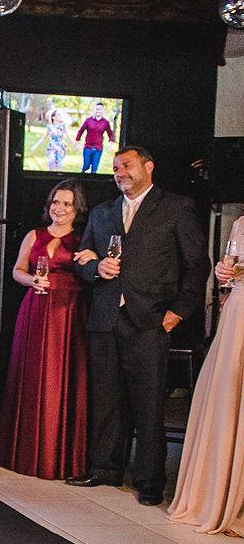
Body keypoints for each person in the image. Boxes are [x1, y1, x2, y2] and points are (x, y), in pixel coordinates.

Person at [67, 147, 209, 505]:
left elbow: (197, 265)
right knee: (105, 399)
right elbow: (82, 260)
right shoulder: (102, 212)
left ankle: (149, 480)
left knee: (148, 403)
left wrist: (179, 311)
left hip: (150, 319)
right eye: (115, 168)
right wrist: (95, 268)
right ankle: (105, 469)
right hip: (105, 318)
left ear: (149, 167)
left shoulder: (176, 207)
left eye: (126, 166)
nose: (119, 173)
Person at [0, 180, 90, 479]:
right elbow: (17, 270)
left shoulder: (83, 238)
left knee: (63, 378)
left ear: (77, 209)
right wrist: (31, 281)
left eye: (66, 204)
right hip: (35, 308)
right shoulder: (33, 235)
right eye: (55, 202)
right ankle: (25, 453)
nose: (59, 208)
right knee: (33, 375)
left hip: (69, 313)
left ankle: (58, 455)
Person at [168, 219, 244, 535]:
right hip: (238, 314)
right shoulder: (240, 224)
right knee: (228, 402)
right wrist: (225, 275)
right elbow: (230, 271)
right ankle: (222, 496)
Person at [76, 101, 114, 174]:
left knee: (94, 168)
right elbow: (81, 131)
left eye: (100, 109)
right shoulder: (88, 120)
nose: (98, 111)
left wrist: (110, 143)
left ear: (102, 110)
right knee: (86, 166)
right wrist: (77, 142)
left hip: (98, 148)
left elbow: (110, 133)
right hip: (88, 147)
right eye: (97, 109)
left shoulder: (105, 122)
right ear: (94, 110)